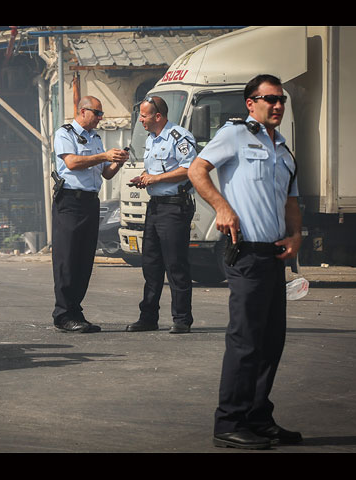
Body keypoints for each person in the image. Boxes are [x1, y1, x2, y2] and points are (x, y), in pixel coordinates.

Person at [188, 74, 303, 449]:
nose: (278, 106)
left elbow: (290, 200)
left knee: (271, 342)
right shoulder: (235, 135)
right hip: (246, 253)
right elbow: (196, 170)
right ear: (250, 102)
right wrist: (221, 206)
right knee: (246, 341)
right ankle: (229, 422)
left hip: (273, 256)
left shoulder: (284, 150)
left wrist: (296, 235)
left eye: (281, 100)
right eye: (270, 99)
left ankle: (258, 417)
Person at [51, 96, 129, 333]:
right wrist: (104, 156)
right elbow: (72, 163)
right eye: (97, 113)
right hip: (70, 202)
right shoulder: (65, 134)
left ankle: (75, 310)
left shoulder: (95, 138)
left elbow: (105, 174)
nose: (100, 118)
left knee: (84, 260)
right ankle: (63, 314)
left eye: (101, 114)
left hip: (89, 202)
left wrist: (117, 161)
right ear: (82, 111)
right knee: (68, 259)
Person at [125, 96, 196, 334]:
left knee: (175, 264)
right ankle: (148, 317)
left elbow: (190, 168)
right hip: (155, 206)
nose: (140, 120)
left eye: (144, 116)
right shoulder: (152, 139)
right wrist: (145, 177)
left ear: (158, 116)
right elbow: (157, 169)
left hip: (175, 206)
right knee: (151, 264)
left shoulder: (179, 136)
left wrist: (155, 179)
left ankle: (182, 319)